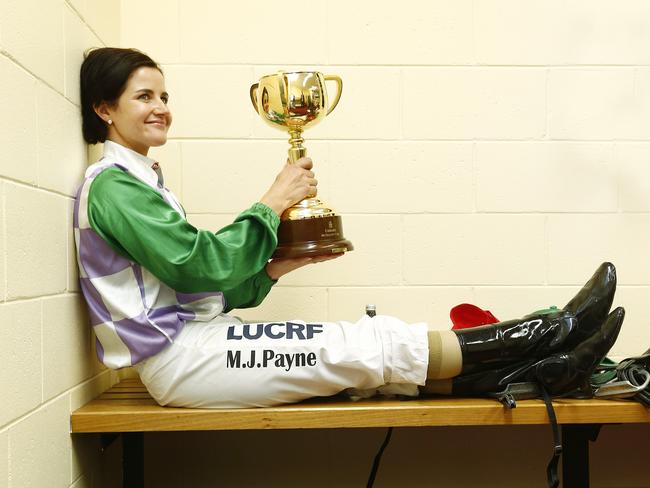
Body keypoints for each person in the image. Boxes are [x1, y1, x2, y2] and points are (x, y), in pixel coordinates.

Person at [75, 47, 624, 408]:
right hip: (178, 361)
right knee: (361, 346)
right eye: (144, 96)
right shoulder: (113, 186)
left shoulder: (140, 181)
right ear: (104, 108)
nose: (161, 108)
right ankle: (546, 334)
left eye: (164, 96)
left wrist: (276, 266)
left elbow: (193, 288)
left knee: (368, 355)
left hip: (192, 345)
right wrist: (273, 200)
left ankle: (544, 364)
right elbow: (198, 263)